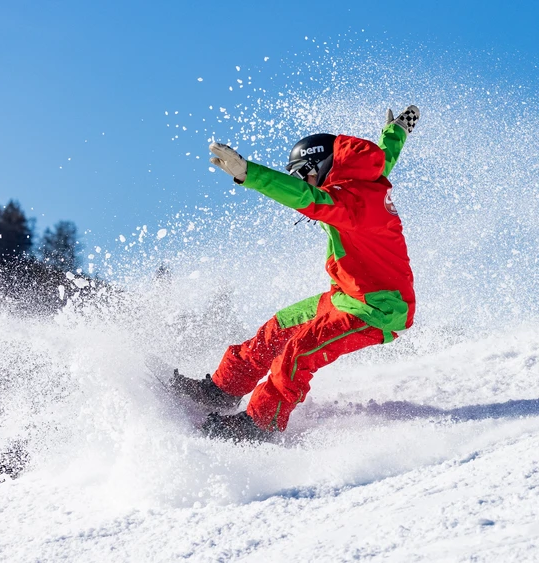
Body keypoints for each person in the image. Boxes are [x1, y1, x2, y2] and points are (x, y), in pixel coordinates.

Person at [171, 106, 421, 442]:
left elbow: (308, 199)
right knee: (279, 328)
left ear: (321, 165)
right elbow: (383, 157)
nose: (300, 183)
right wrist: (396, 132)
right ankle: (222, 391)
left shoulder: (352, 202)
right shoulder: (360, 179)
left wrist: (250, 174)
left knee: (298, 352)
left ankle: (261, 424)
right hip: (347, 296)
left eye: (302, 174)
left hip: (378, 308)